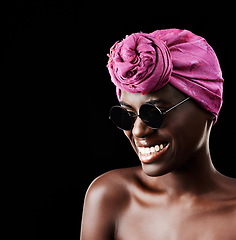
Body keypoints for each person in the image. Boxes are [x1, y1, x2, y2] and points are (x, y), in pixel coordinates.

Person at [81, 29, 236, 240]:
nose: (137, 131)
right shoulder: (110, 197)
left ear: (207, 107)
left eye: (153, 114)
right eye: (127, 115)